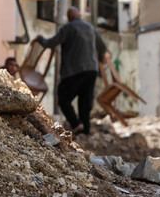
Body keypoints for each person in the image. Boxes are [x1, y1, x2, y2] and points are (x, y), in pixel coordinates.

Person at [35, 7, 109, 135]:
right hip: (91, 69)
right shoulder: (91, 28)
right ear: (79, 15)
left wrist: (41, 40)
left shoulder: (67, 28)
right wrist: (101, 59)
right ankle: (85, 129)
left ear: (69, 18)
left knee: (63, 97)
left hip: (74, 70)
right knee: (85, 101)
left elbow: (52, 42)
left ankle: (76, 124)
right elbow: (102, 48)